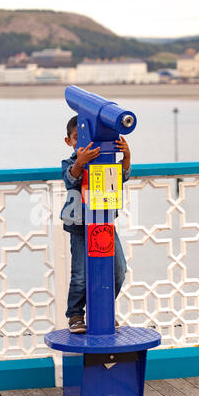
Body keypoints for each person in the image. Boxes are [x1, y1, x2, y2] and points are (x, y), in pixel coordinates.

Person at [60, 115, 131, 333]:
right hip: (80, 226)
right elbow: (69, 178)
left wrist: (126, 156)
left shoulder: (106, 162)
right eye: (77, 138)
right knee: (80, 275)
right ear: (69, 142)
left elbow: (122, 177)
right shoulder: (71, 162)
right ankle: (75, 315)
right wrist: (81, 163)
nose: (83, 143)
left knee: (118, 271)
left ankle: (101, 309)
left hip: (104, 224)